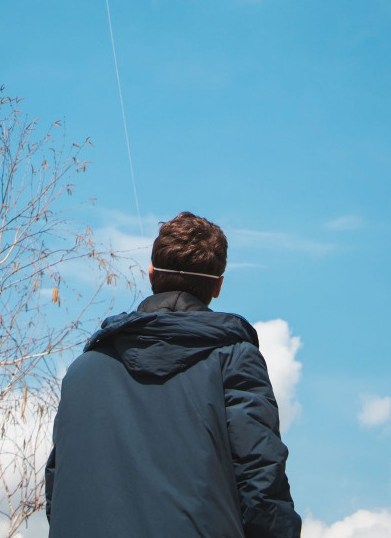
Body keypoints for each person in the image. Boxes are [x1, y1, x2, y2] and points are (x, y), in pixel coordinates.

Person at [45, 211, 301, 537]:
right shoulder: (235, 361)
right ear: (218, 287)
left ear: (151, 275)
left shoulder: (82, 371)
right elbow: (261, 484)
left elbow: (59, 487)